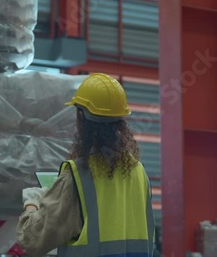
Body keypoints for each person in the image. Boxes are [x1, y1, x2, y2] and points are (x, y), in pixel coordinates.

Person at [16, 73, 155, 257]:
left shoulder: (78, 176)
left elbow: (32, 240)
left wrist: (32, 202)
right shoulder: (139, 172)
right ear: (121, 121)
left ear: (80, 116)